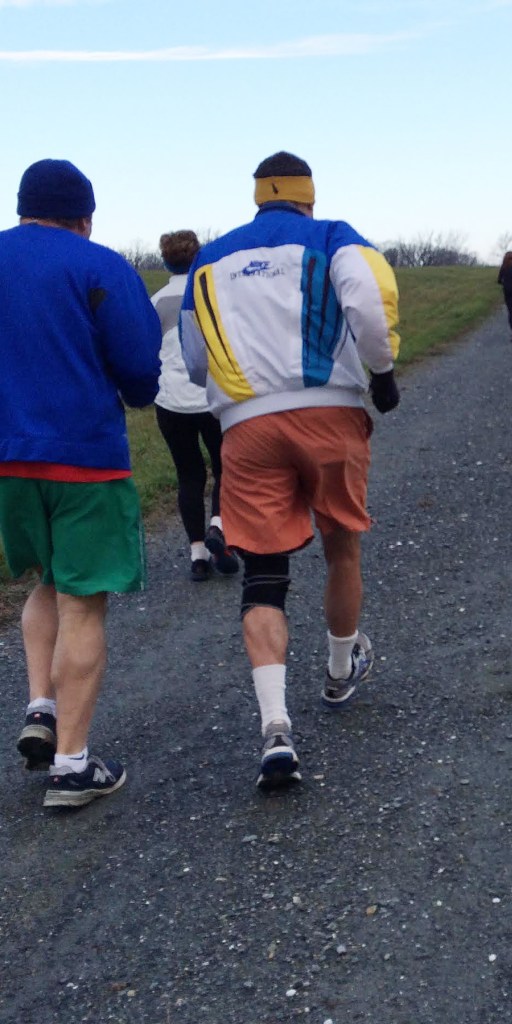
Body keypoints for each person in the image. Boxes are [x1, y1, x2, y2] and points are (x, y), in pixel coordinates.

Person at [180, 151, 400, 789]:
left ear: (257, 197)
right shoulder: (331, 235)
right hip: (329, 409)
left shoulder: (212, 254)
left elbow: (195, 356)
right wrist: (381, 373)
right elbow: (364, 297)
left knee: (264, 573)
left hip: (247, 423)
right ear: (308, 195)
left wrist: (228, 395)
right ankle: (337, 672)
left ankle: (275, 728)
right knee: (341, 548)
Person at [0, 159, 162, 808]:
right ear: (85, 216)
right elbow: (138, 367)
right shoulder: (99, 267)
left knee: (44, 576)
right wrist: (135, 390)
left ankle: (42, 704)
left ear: (21, 207)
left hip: (8, 460)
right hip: (85, 459)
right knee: (83, 600)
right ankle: (72, 765)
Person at [151, 230, 239, 581]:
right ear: (198, 256)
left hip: (170, 401)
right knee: (225, 469)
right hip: (212, 396)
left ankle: (198, 556)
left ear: (165, 260)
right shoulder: (213, 293)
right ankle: (220, 528)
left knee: (188, 475)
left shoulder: (155, 301)